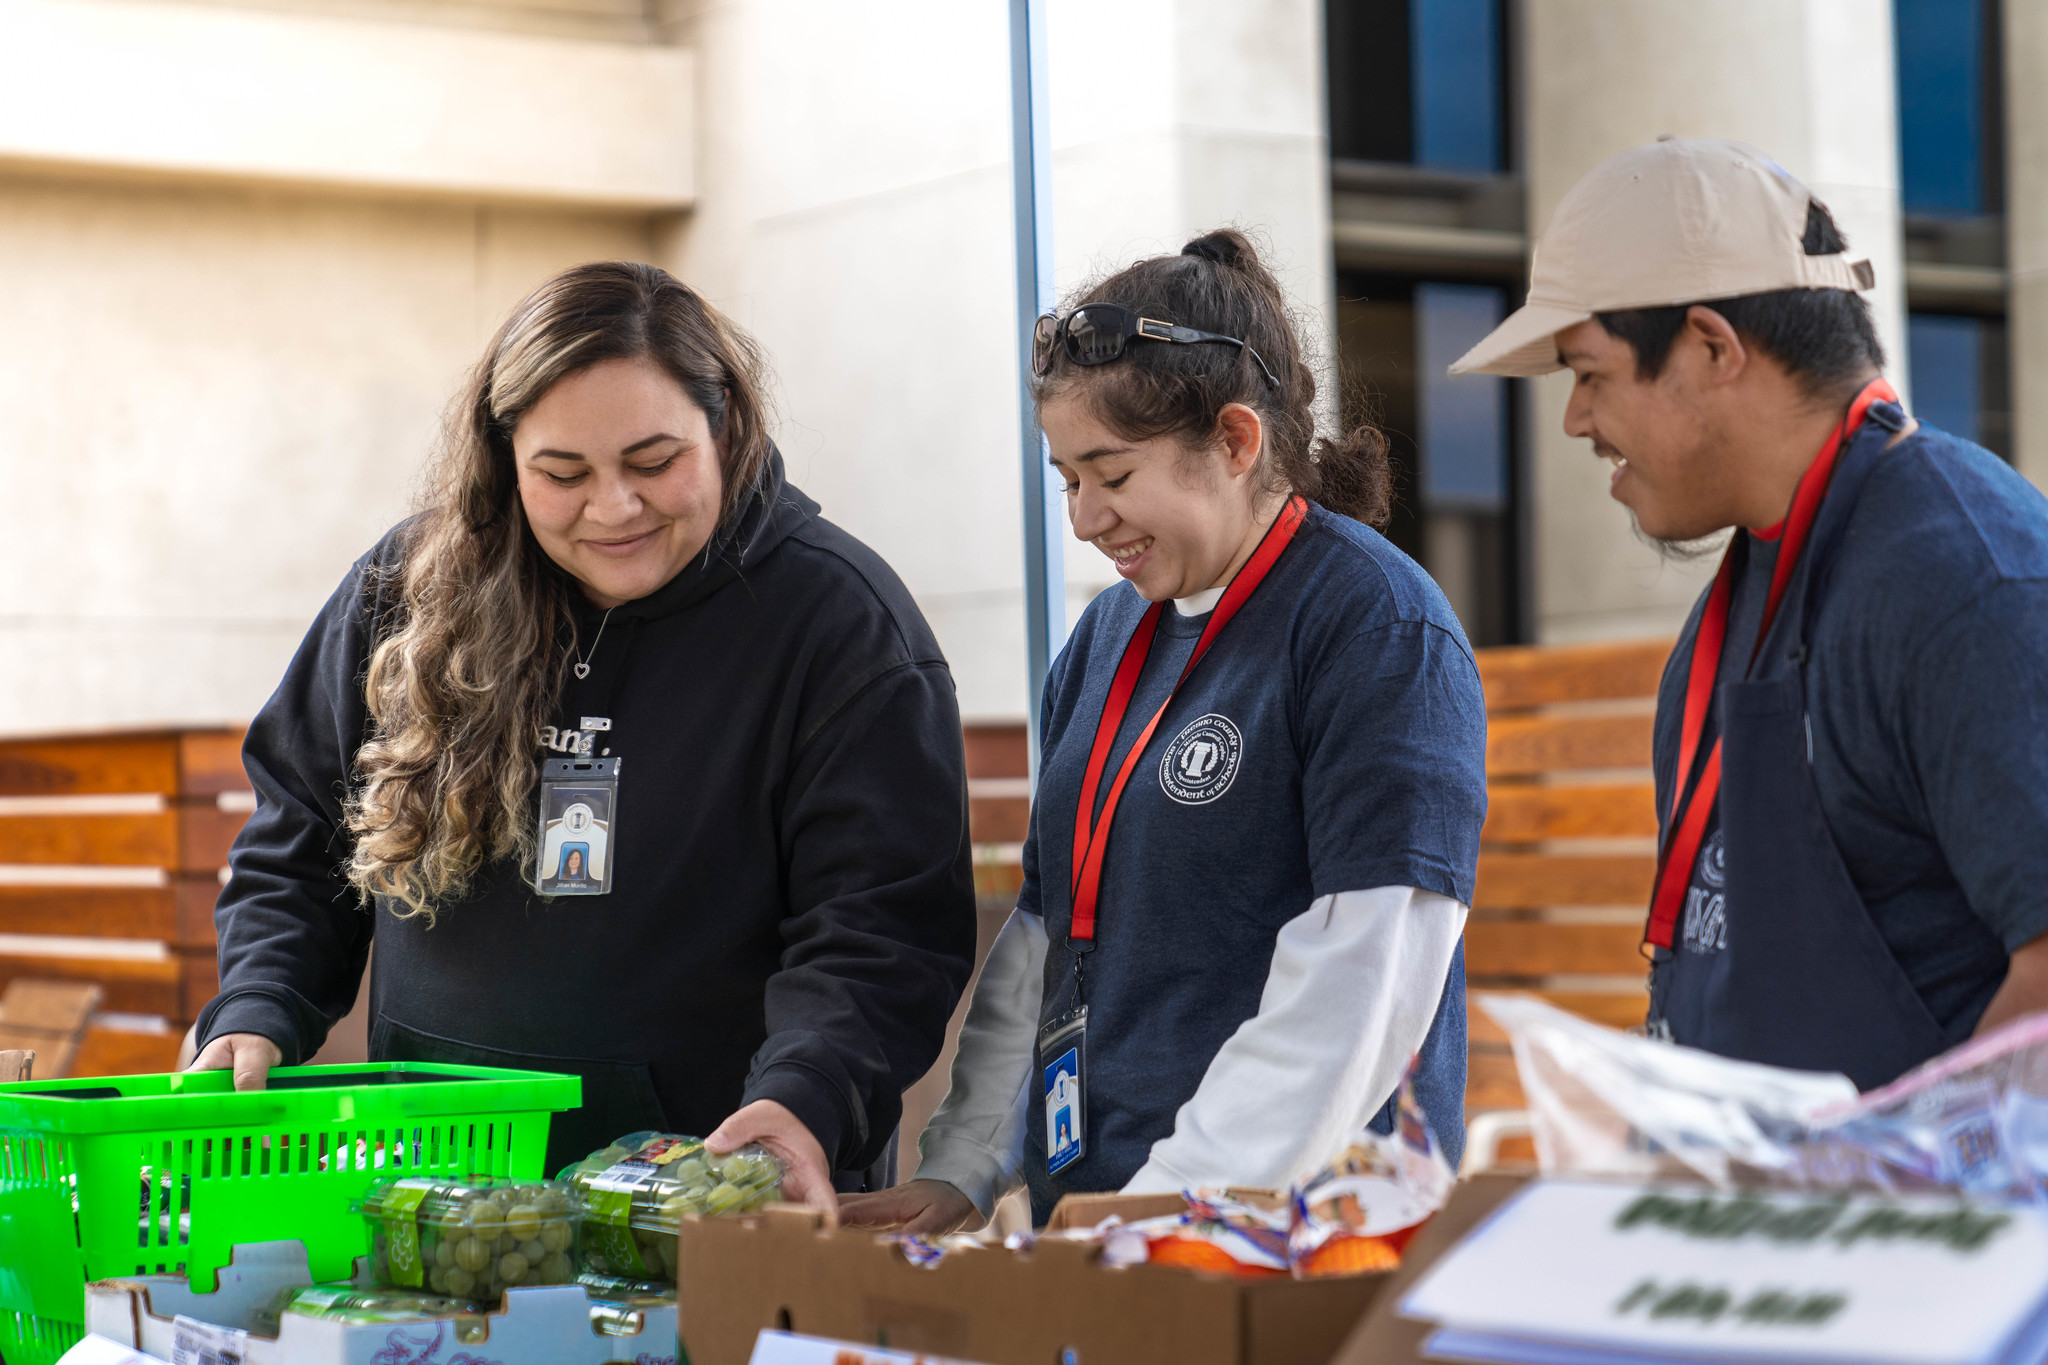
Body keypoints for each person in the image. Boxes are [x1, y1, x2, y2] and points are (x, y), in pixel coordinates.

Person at [183, 262, 977, 1205]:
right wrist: (260, 1002)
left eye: (654, 463)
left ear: (725, 426)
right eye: (562, 474)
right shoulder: (407, 589)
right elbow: (303, 831)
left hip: (715, 1201)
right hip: (437, 1195)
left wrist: (806, 1099)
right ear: (504, 456)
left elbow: (879, 933)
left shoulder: (842, 627)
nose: (614, 507)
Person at [840, 229, 1487, 1231]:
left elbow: (1367, 971)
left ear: (1235, 442)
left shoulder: (1375, 624)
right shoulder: (1107, 634)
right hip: (1109, 1230)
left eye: (1111, 473)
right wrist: (962, 1165)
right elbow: (1044, 937)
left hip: (1295, 1241)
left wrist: (1168, 1206)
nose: (1085, 517)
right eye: (1066, 479)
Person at [1450, 137, 2048, 1089]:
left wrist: (1887, 1183)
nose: (1573, 420)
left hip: (1931, 1230)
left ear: (1711, 347)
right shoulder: (1730, 617)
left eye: (1588, 372)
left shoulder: (1970, 576)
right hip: (1761, 1225)